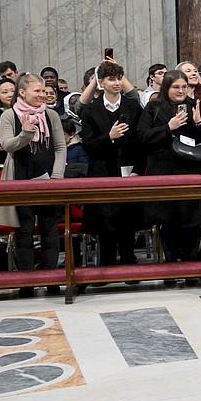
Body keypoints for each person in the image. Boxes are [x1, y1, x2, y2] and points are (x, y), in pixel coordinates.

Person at [0, 73, 67, 297]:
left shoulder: (52, 115)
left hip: (48, 180)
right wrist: (27, 132)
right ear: (22, 93)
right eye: (37, 91)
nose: (43, 95)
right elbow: (8, 145)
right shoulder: (9, 116)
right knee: (25, 231)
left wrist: (56, 177)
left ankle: (52, 278)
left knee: (50, 229)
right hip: (20, 179)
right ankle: (26, 279)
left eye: (44, 91)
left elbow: (60, 147)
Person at [138, 70, 201, 262]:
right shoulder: (153, 107)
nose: (181, 91)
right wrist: (168, 128)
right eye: (176, 87)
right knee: (168, 221)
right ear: (166, 87)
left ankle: (191, 265)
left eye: (184, 87)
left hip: (192, 169)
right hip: (164, 170)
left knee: (192, 221)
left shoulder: (196, 106)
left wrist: (198, 123)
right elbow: (142, 138)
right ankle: (171, 265)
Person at [78, 61, 145, 267]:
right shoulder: (91, 110)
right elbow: (88, 145)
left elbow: (140, 142)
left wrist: (137, 170)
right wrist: (109, 136)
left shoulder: (133, 107)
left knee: (127, 218)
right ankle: (106, 263)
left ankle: (128, 259)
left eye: (118, 79)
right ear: (101, 83)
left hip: (127, 167)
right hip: (102, 170)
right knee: (105, 219)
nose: (116, 83)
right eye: (110, 79)